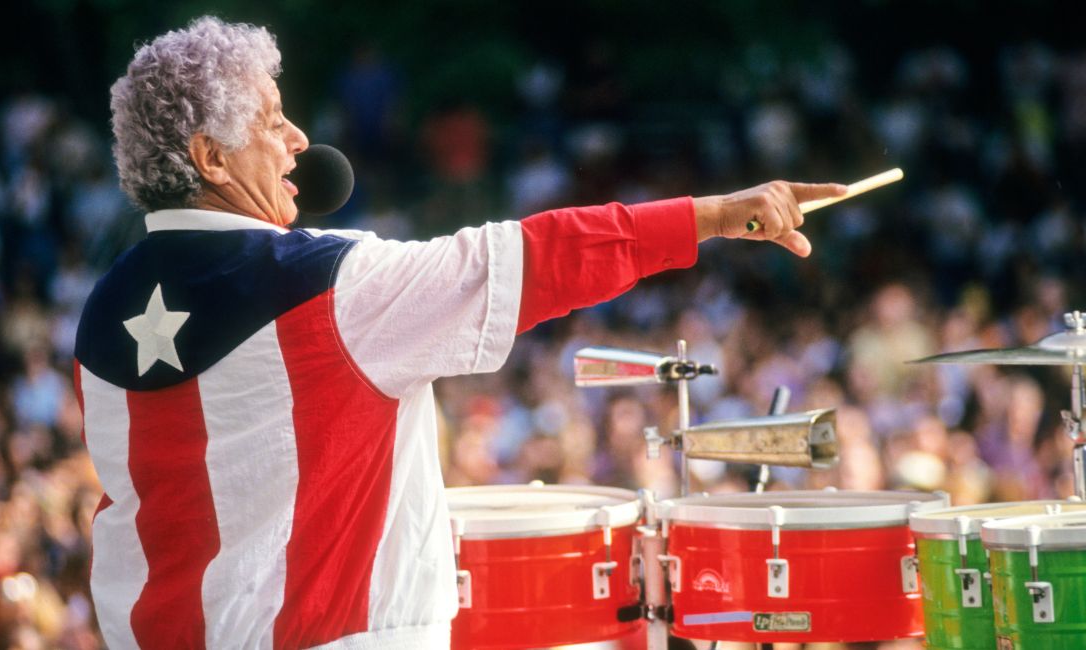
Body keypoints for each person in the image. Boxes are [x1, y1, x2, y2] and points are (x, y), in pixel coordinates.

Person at [76, 16, 845, 650]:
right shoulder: (333, 285)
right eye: (273, 121)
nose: (299, 140)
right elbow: (543, 257)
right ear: (209, 156)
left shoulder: (101, 310)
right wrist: (713, 215)